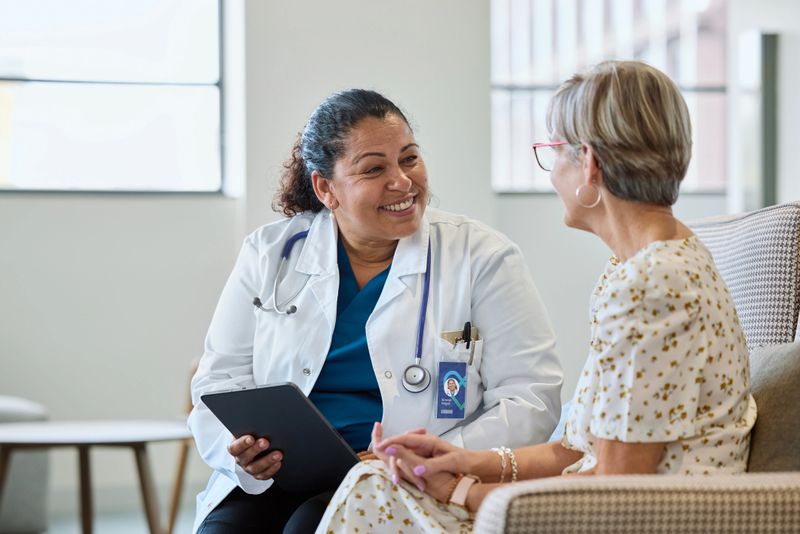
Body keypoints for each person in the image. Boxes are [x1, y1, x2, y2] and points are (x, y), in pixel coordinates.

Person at [316, 61, 758, 533]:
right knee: (375, 484)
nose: (552, 175)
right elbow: (577, 450)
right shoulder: (641, 265)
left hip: (642, 520)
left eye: (554, 152)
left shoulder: (650, 286)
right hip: (597, 502)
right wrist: (461, 460)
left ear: (588, 164)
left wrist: (463, 492)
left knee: (372, 490)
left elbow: (619, 489)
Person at [188, 89, 563, 533]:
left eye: (409, 159)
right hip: (280, 473)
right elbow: (219, 382)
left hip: (407, 476)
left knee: (311, 526)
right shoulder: (269, 254)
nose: (402, 181)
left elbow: (530, 397)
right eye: (374, 169)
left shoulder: (481, 256)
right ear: (325, 188)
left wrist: (438, 456)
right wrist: (241, 450)